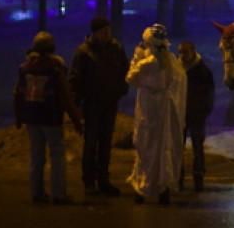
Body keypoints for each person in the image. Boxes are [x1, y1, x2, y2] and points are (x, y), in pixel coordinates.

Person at [14, 31, 83, 204]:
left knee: (36, 156)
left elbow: (18, 94)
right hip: (51, 117)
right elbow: (65, 96)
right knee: (57, 155)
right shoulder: (55, 69)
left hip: (31, 118)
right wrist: (76, 119)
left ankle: (36, 193)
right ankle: (58, 194)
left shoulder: (25, 68)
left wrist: (19, 117)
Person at [127, 24, 187, 205]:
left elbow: (131, 78)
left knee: (145, 146)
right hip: (163, 107)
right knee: (162, 147)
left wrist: (136, 59)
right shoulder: (171, 61)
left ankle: (143, 186)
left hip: (147, 107)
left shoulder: (147, 62)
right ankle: (163, 188)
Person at [69, 17, 128, 196]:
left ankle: (103, 180)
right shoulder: (84, 52)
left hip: (109, 103)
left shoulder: (116, 48)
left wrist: (120, 90)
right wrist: (77, 104)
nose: (107, 34)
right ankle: (89, 181)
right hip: (92, 104)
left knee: (105, 143)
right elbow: (75, 80)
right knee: (91, 143)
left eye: (108, 30)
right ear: (95, 33)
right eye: (104, 31)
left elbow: (125, 71)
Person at [178, 41, 215, 192]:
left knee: (197, 146)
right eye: (181, 52)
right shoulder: (177, 69)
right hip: (181, 113)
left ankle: (198, 176)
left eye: (185, 52)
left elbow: (209, 93)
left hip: (196, 113)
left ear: (193, 51)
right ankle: (178, 177)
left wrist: (205, 109)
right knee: (178, 147)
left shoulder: (202, 71)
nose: (182, 55)